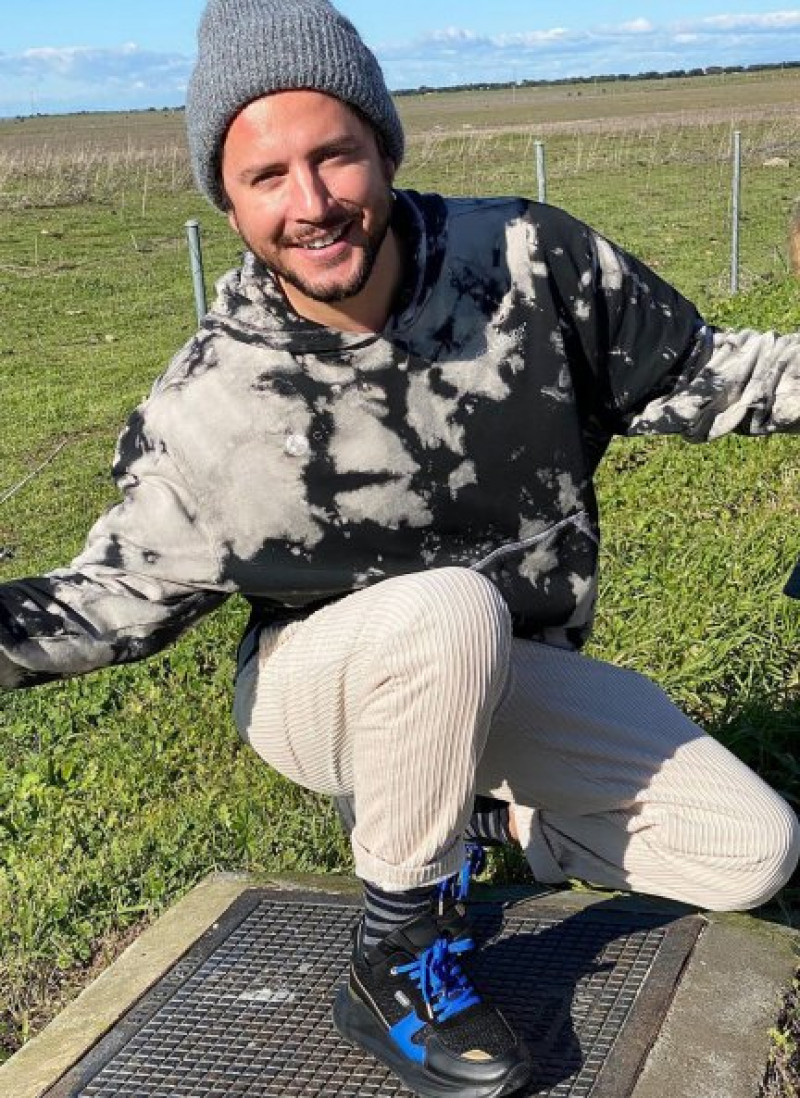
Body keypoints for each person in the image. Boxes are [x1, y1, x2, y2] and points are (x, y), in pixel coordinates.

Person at [2, 0, 799, 1094]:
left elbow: (711, 374)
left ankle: (481, 811)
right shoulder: (215, 403)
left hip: (504, 674)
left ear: (384, 146)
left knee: (748, 851)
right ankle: (399, 957)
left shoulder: (526, 261)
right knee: (445, 606)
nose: (312, 202)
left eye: (334, 154)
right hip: (317, 691)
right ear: (226, 204)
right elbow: (100, 604)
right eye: (266, 176)